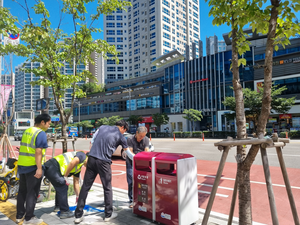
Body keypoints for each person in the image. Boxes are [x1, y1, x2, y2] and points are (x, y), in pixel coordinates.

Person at [74, 120, 133, 223]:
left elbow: (92, 141)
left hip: (92, 159)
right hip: (104, 162)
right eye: (124, 130)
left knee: (86, 187)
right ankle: (108, 215)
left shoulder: (102, 127)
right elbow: (128, 153)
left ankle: (78, 215)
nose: (123, 132)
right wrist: (138, 158)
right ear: (123, 127)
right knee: (107, 188)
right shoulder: (120, 136)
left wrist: (93, 152)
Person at [16, 114, 51, 225]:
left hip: (22, 165)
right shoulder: (40, 133)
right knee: (32, 193)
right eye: (48, 123)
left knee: (22, 191)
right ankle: (29, 218)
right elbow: (38, 151)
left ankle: (19, 215)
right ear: (42, 122)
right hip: (33, 167)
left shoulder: (27, 131)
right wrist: (39, 168)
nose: (49, 125)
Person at [44, 151, 89, 219]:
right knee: (63, 185)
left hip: (52, 168)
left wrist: (78, 196)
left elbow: (76, 182)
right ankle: (65, 211)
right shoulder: (82, 156)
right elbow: (72, 162)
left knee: (60, 186)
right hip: (53, 166)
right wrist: (65, 176)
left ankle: (58, 206)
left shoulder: (79, 167)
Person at [126, 126, 149, 208]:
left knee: (143, 181)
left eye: (143, 136)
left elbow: (147, 151)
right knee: (131, 181)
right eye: (140, 136)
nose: (142, 138)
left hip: (142, 163)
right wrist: (138, 159)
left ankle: (143, 199)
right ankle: (132, 200)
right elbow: (130, 152)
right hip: (131, 162)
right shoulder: (130, 139)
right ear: (136, 133)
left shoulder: (146, 139)